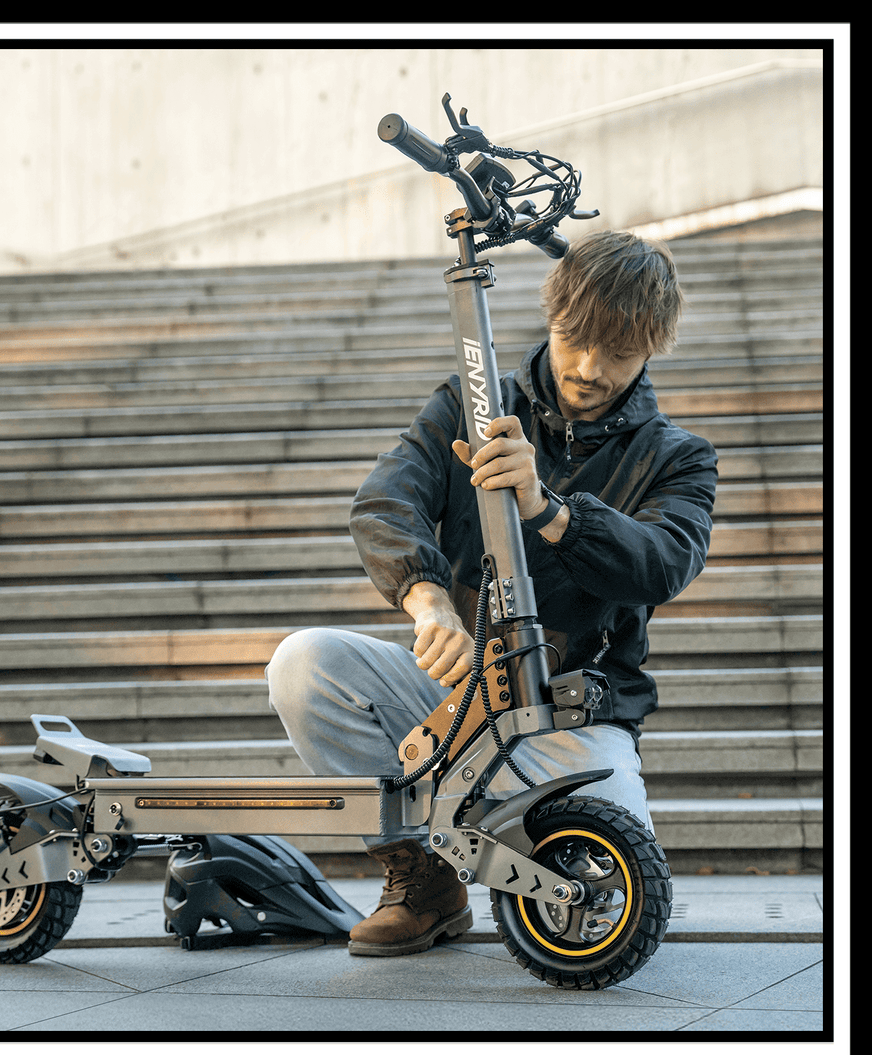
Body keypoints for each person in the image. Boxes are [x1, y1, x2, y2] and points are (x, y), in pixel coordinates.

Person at [266, 230, 718, 957]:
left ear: (652, 349)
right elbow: (385, 502)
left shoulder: (677, 458)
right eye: (576, 338)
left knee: (612, 888)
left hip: (571, 714)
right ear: (550, 316)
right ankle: (424, 881)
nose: (591, 368)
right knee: (304, 662)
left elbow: (664, 562)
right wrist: (427, 599)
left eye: (621, 351)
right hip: (456, 691)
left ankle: (522, 852)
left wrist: (552, 511)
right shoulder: (468, 406)